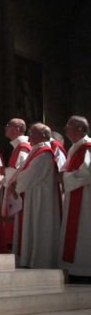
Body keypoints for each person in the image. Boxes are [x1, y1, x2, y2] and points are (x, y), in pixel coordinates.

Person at [11, 123, 61, 269]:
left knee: (40, 227)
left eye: (33, 133)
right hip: (34, 194)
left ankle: (41, 261)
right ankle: (30, 259)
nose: (29, 136)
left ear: (43, 136)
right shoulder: (36, 151)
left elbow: (31, 174)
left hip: (41, 198)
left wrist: (16, 184)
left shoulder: (44, 153)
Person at [61, 116, 91, 282]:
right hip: (76, 195)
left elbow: (87, 173)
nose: (65, 129)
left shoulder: (87, 147)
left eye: (69, 126)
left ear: (79, 129)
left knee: (84, 231)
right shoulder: (76, 148)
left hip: (86, 200)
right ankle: (77, 269)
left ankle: (85, 271)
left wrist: (65, 177)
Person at [1, 118, 31, 252]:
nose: (6, 127)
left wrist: (6, 174)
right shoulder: (17, 147)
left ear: (18, 129)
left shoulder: (23, 147)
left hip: (19, 191)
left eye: (9, 125)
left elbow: (22, 169)